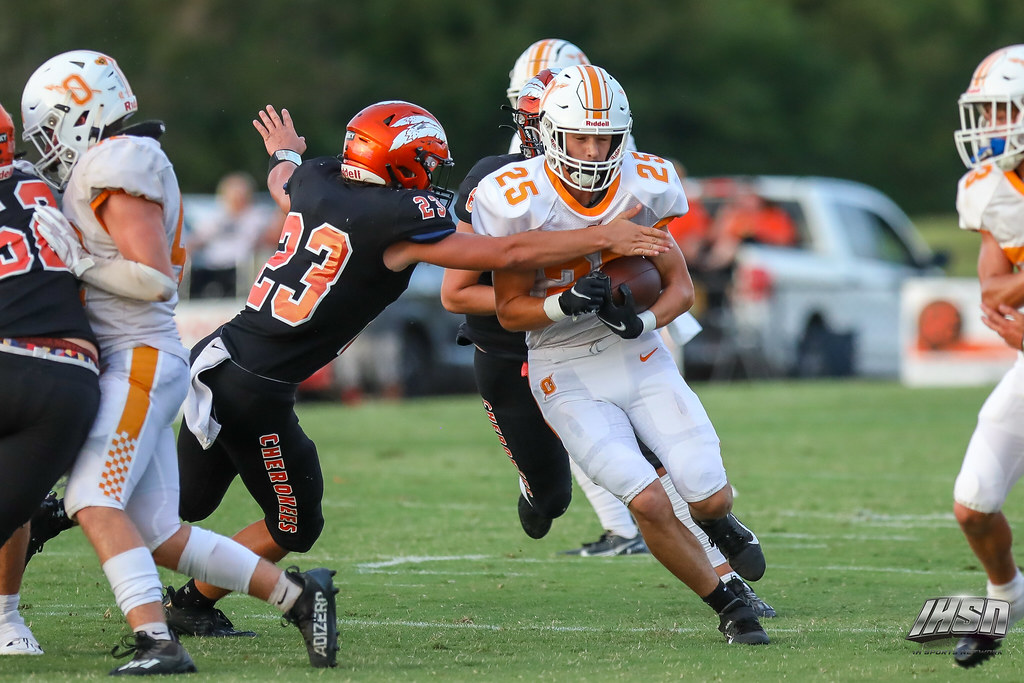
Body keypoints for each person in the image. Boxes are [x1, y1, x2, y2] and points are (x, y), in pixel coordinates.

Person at [167, 99, 672, 636]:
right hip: (257, 388)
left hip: (216, 361)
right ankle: (187, 598)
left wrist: (285, 151)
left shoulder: (317, 181)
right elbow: (505, 253)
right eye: (426, 161)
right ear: (400, 161)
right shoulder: (395, 220)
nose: (431, 176)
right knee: (295, 524)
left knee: (181, 504)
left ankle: (83, 511)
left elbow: (282, 180)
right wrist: (602, 236)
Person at [21, 49, 339, 674]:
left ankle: (157, 643)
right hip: (143, 358)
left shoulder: (118, 159)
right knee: (161, 534)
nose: (50, 146)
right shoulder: (119, 158)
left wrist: (73, 262)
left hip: (138, 355)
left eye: (53, 128)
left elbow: (154, 277)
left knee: (91, 499)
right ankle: (299, 597)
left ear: (81, 113)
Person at [442, 70, 774, 616]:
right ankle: (536, 489)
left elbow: (674, 282)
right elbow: (461, 296)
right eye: (531, 121)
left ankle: (727, 577)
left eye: (604, 136)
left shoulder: (635, 181)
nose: (593, 149)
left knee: (669, 474)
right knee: (552, 498)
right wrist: (563, 303)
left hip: (615, 346)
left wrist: (630, 316)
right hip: (510, 347)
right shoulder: (500, 189)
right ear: (539, 125)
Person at [0, 103, 102, 656]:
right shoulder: (44, 186)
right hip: (71, 374)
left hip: (13, 355)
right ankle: (7, 621)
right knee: (13, 499)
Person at [949, 44, 1024, 669]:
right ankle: (1005, 598)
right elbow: (995, 288)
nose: (991, 127)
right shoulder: (992, 189)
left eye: (1004, 110)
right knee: (973, 503)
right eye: (988, 111)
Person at [185, 171, 279, 299]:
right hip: (211, 266)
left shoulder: (258, 216)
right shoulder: (215, 217)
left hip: (242, 266)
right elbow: (197, 239)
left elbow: (270, 238)